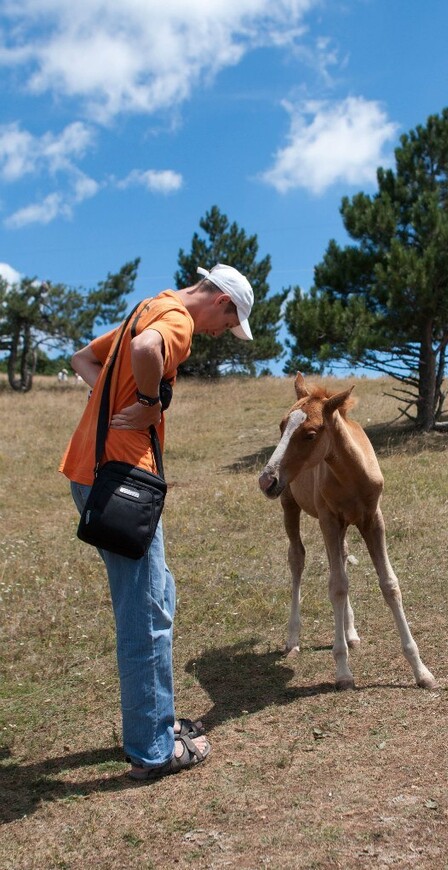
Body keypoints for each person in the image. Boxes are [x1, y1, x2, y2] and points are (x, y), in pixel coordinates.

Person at [59, 264, 254, 780]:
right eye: (226, 324)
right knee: (147, 612)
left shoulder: (147, 306)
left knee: (157, 594)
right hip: (123, 480)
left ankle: (155, 723)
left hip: (94, 472)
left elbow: (83, 359)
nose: (217, 335)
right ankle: (152, 749)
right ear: (222, 302)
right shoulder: (177, 322)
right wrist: (145, 405)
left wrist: (112, 399)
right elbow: (148, 351)